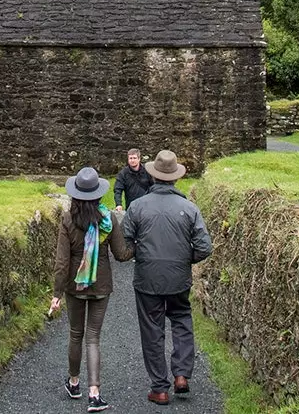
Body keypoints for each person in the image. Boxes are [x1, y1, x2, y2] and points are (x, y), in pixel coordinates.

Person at [121, 149, 211, 406]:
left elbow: (126, 244)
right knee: (181, 318)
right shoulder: (189, 208)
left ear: (154, 176)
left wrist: (142, 252)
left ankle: (159, 388)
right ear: (175, 178)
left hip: (147, 279)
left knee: (152, 329)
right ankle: (181, 374)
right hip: (178, 277)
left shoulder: (137, 207)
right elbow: (204, 247)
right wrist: (184, 259)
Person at [49, 166, 131, 412]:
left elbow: (62, 263)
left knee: (76, 333)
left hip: (75, 285)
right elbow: (122, 254)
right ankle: (94, 394)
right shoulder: (108, 219)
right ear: (97, 194)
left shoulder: (67, 220)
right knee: (93, 337)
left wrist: (56, 294)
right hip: (101, 284)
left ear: (75, 195)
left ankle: (74, 384)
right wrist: (137, 246)